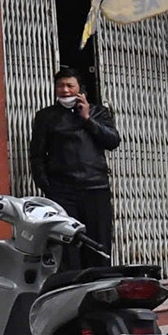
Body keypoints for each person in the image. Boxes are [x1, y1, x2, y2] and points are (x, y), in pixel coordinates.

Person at [29, 68, 121, 263]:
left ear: (80, 89)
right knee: (67, 244)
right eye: (60, 86)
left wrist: (87, 119)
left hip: (95, 188)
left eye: (70, 85)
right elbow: (37, 155)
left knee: (98, 242)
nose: (65, 90)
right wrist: (48, 187)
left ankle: (98, 286)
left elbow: (112, 141)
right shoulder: (46, 116)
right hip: (63, 192)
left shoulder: (98, 112)